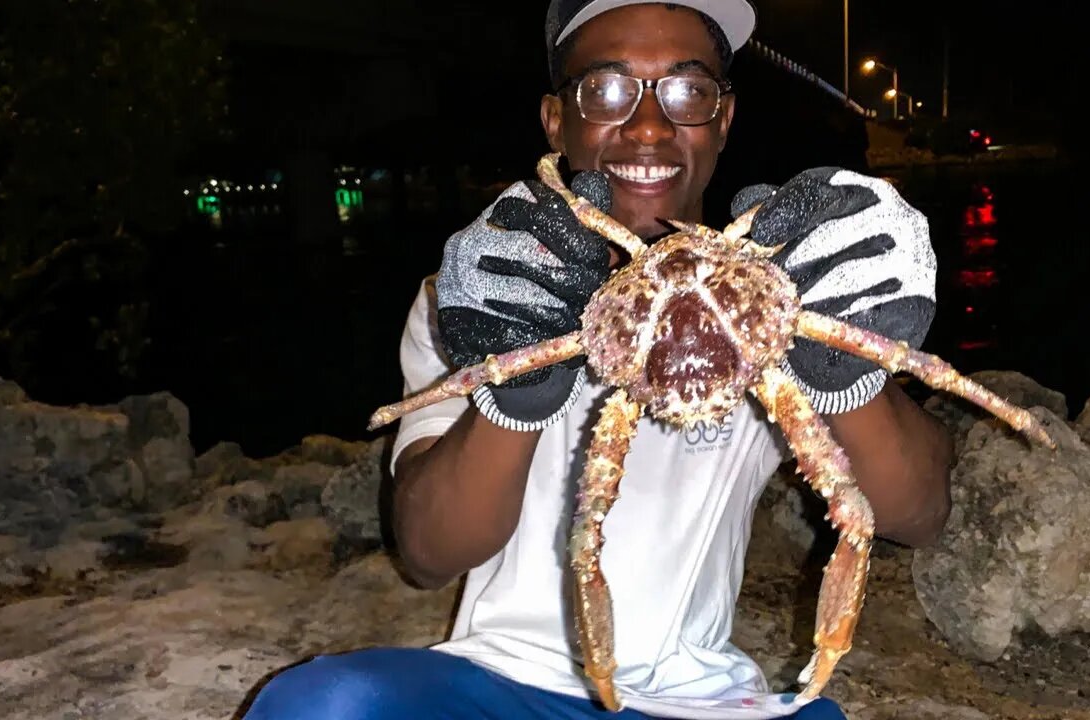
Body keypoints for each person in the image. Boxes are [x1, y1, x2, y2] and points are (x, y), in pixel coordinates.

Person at [243, 1, 954, 718]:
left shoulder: (769, 302)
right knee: (319, 706)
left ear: (724, 119)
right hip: (499, 684)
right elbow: (428, 556)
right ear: (555, 120)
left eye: (687, 91)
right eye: (608, 89)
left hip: (707, 702)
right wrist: (513, 388)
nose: (649, 126)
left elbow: (913, 516)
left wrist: (844, 368)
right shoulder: (477, 301)